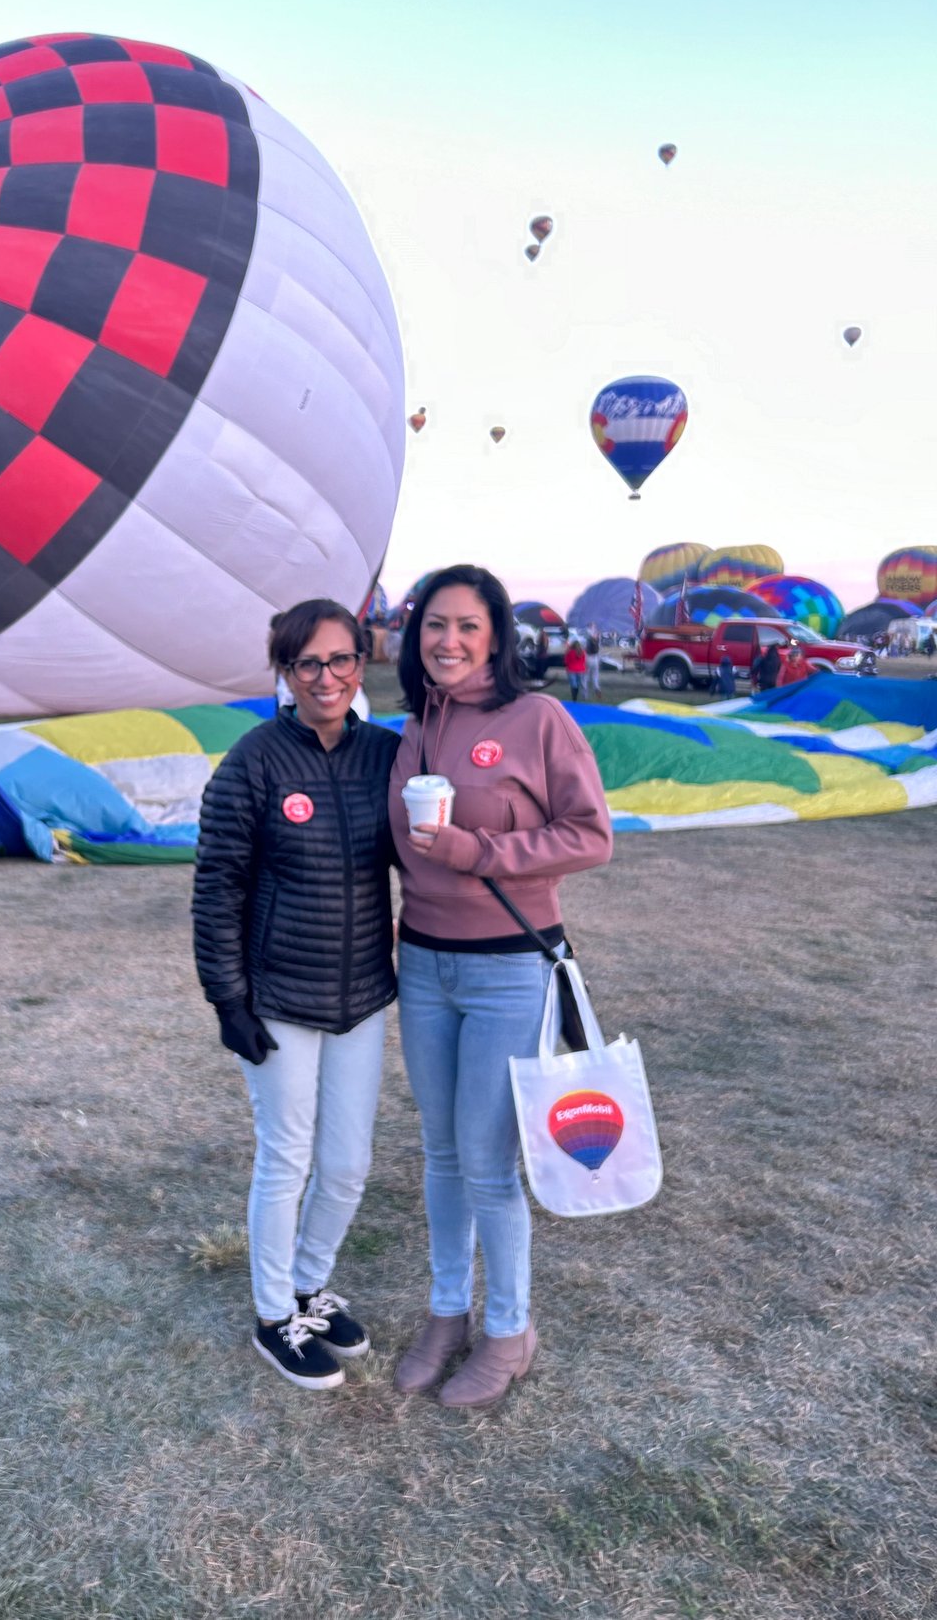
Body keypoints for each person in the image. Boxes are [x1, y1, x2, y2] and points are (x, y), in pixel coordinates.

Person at [389, 565, 612, 1408]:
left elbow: (590, 835)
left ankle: (510, 1329)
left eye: (467, 626)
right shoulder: (414, 727)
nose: (448, 641)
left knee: (487, 1162)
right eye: (434, 624)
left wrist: (481, 852)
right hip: (424, 963)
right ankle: (447, 1312)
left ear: (496, 638)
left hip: (510, 967)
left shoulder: (539, 720)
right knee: (441, 1152)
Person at [192, 600, 399, 1391]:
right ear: (284, 671)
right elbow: (217, 887)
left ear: (360, 664)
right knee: (288, 1157)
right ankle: (274, 1314)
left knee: (347, 1164)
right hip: (277, 995)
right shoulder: (253, 761)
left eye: (340, 660)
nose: (326, 677)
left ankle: (310, 1286)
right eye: (307, 663)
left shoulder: (383, 754)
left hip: (361, 994)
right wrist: (228, 1001)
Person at [563, 636, 587, 700]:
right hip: (581, 670)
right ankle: (576, 695)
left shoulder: (569, 652)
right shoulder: (582, 652)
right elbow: (584, 661)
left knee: (573, 684)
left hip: (571, 669)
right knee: (578, 683)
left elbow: (566, 662)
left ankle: (574, 697)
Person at [583, 625, 602, 697]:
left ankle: (585, 692)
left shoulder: (588, 639)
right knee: (595, 675)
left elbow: (585, 648)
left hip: (588, 657)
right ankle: (597, 687)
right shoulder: (597, 641)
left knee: (585, 676)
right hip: (595, 658)